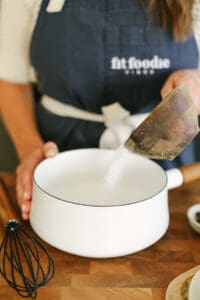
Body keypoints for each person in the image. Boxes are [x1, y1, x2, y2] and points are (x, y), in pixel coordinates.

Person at [0, 0, 200, 220]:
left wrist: (194, 80)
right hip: (58, 150)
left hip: (165, 154)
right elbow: (11, 80)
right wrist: (30, 149)